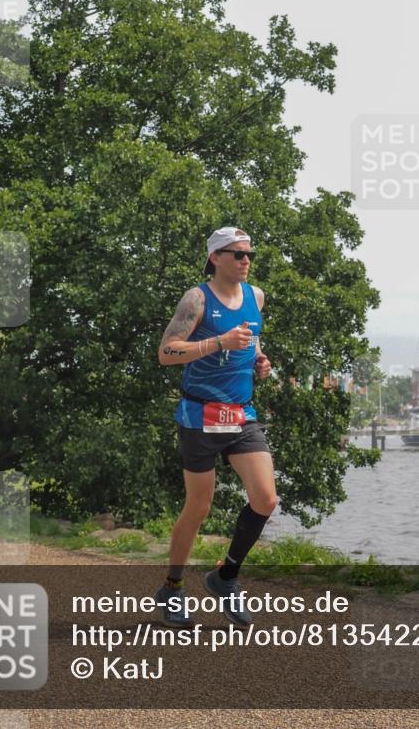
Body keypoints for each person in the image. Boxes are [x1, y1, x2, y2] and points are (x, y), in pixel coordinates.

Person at [154, 226, 274, 629]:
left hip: (241, 414)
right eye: (237, 254)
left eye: (249, 254)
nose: (246, 261)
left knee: (265, 499)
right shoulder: (197, 299)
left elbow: (251, 340)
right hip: (200, 415)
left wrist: (260, 360)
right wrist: (217, 343)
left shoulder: (256, 297)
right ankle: (171, 588)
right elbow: (166, 352)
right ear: (215, 257)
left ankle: (224, 576)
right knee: (199, 507)